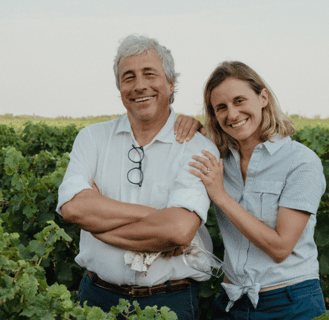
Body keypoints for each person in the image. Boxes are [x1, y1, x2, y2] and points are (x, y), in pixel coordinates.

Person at [57, 34, 219, 320]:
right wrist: (157, 217)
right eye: (128, 77)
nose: (139, 85)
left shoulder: (198, 147)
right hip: (97, 298)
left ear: (171, 83)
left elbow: (178, 231)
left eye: (149, 74)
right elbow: (73, 207)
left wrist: (99, 226)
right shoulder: (92, 138)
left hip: (170, 303)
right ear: (119, 87)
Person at [188, 61, 326, 319]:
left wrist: (220, 195)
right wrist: (186, 124)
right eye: (221, 107)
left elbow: (280, 247)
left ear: (263, 97)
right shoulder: (219, 159)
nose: (232, 114)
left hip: (290, 303)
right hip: (231, 302)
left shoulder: (300, 162)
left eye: (239, 100)